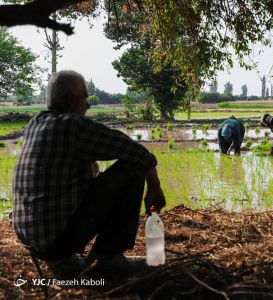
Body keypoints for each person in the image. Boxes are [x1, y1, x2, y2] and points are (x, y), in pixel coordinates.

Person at [12, 70, 166, 276]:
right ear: (69, 100)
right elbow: (138, 153)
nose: (88, 105)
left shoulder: (35, 123)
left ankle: (65, 259)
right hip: (56, 242)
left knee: (94, 171)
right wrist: (154, 188)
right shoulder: (72, 126)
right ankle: (111, 258)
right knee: (132, 168)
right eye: (85, 97)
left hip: (32, 241)